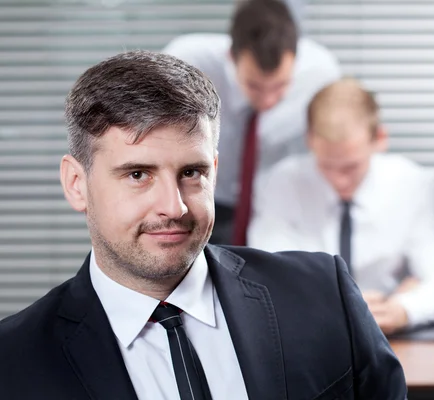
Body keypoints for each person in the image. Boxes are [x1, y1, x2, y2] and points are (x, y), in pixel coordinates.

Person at [0, 51, 406, 399]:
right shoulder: (14, 360)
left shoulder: (323, 295)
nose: (173, 207)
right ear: (77, 184)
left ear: (214, 169)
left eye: (191, 172)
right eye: (138, 174)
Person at [248, 78, 434, 335]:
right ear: (310, 141)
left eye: (351, 167)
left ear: (380, 139)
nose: (340, 180)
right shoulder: (281, 184)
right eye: (327, 165)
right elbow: (270, 279)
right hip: (308, 336)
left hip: (390, 339)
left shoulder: (414, 185)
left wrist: (403, 308)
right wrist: (344, 306)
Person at [163, 0, 340, 246]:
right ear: (230, 58)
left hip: (273, 210)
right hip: (206, 201)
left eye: (279, 87)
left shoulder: (319, 74)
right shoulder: (188, 65)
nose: (267, 100)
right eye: (254, 86)